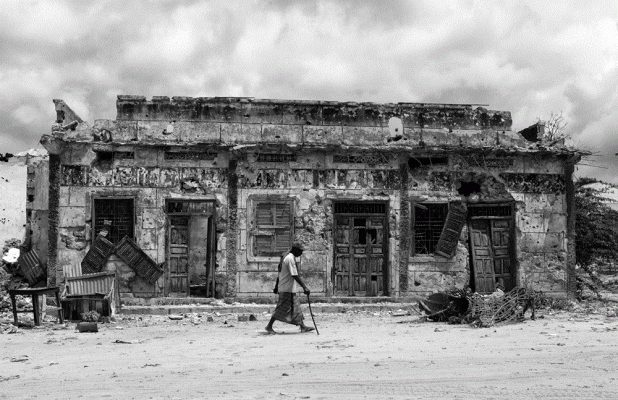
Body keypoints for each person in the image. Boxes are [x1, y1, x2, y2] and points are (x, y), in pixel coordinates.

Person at [265, 243, 315, 334]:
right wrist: (305, 287)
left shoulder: (286, 257)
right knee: (281, 309)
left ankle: (302, 327)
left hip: (287, 288)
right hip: (286, 288)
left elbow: (279, 274)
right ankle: (269, 326)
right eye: (300, 251)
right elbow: (294, 275)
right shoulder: (290, 258)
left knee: (296, 308)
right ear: (295, 250)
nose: (301, 254)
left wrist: (276, 287)